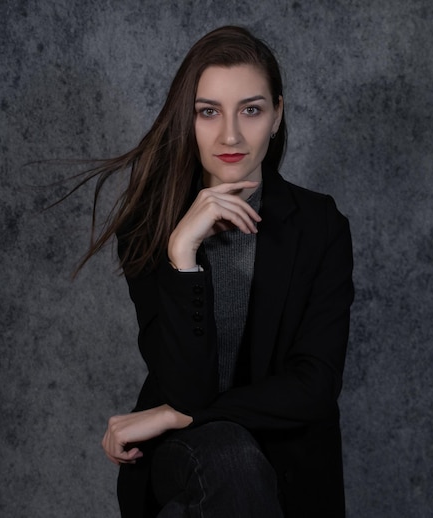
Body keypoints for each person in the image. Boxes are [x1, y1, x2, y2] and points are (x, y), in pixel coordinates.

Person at [76, 26, 354, 517]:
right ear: (189, 120)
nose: (230, 135)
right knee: (228, 456)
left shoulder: (319, 226)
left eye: (251, 110)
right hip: (187, 460)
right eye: (209, 112)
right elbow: (187, 387)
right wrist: (182, 252)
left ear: (277, 116)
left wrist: (174, 415)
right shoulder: (151, 226)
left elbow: (314, 386)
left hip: (291, 464)